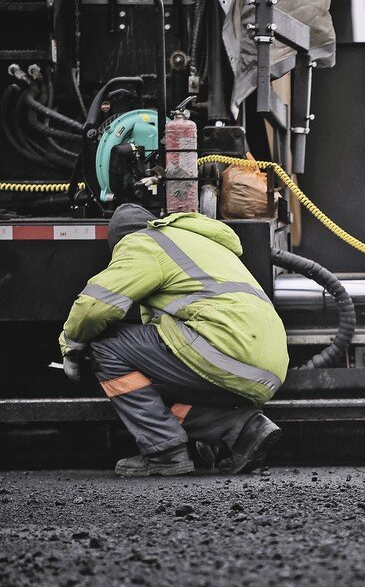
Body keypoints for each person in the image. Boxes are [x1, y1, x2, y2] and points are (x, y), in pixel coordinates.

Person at [59, 203, 288, 476]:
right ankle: (242, 428)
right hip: (266, 363)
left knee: (105, 348)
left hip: (224, 349)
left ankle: (164, 451)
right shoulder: (198, 243)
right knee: (147, 380)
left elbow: (94, 308)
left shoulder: (143, 243)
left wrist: (71, 343)